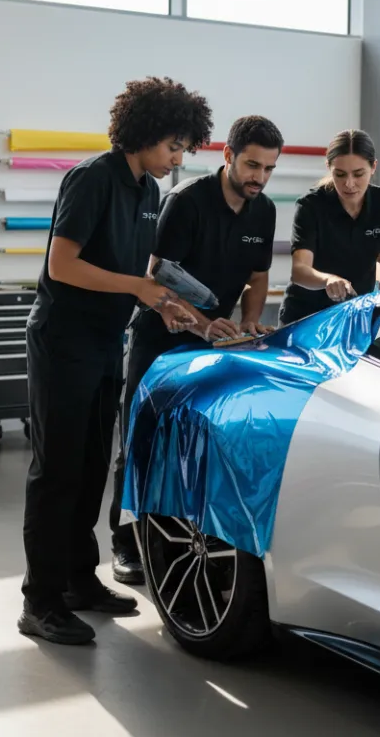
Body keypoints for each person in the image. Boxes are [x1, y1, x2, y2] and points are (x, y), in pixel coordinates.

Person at [19, 76, 212, 646]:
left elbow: (140, 277)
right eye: (173, 146)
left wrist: (178, 308)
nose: (178, 159)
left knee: (89, 469)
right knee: (56, 473)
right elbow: (63, 266)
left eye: (184, 149)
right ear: (145, 133)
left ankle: (79, 580)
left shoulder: (148, 192)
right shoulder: (92, 179)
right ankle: (41, 600)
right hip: (63, 342)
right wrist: (138, 287)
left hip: (106, 343)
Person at [107, 115, 284, 585]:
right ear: (227, 155)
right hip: (160, 336)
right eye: (251, 165)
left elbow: (258, 276)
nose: (259, 178)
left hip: (217, 336)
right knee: (139, 437)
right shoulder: (186, 201)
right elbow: (159, 273)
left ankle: (179, 537)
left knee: (196, 440)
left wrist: (249, 319)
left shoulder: (263, 211)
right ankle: (125, 542)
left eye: (268, 169)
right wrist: (205, 325)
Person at [278, 129, 380, 327]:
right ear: (328, 167)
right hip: (305, 316)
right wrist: (327, 280)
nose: (349, 184)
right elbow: (300, 270)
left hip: (355, 314)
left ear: (373, 167)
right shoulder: (310, 206)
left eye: (359, 174)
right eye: (339, 174)